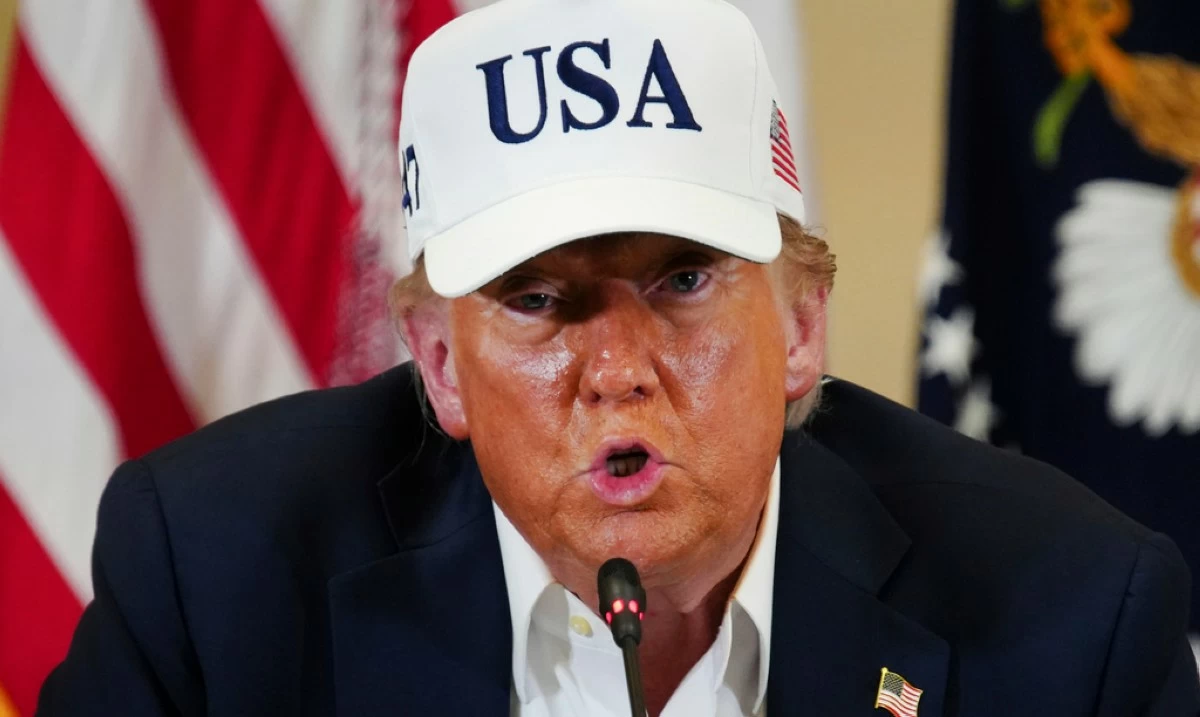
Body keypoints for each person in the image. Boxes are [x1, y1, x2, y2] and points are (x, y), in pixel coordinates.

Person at [37, 0, 1200, 715]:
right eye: (540, 301)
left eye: (684, 281)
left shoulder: (1071, 613)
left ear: (800, 327)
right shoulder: (218, 575)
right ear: (439, 367)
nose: (618, 369)